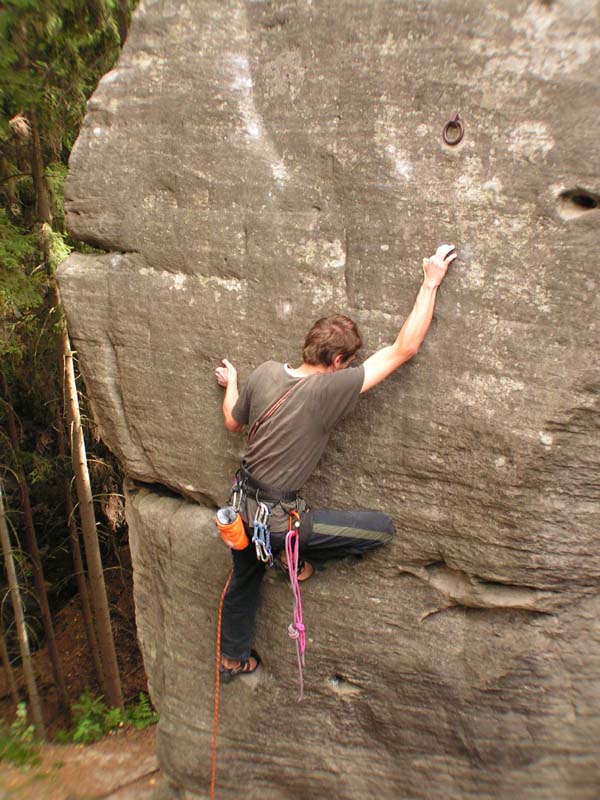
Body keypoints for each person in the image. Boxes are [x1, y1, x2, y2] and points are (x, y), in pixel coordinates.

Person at [215, 243, 457, 681]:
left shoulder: (265, 372)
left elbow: (233, 422)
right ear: (339, 361)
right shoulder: (329, 390)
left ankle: (232, 660)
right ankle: (293, 561)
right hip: (277, 524)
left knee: (243, 578)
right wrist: (430, 282)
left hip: (239, 509)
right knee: (379, 531)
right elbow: (404, 349)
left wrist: (233, 382)